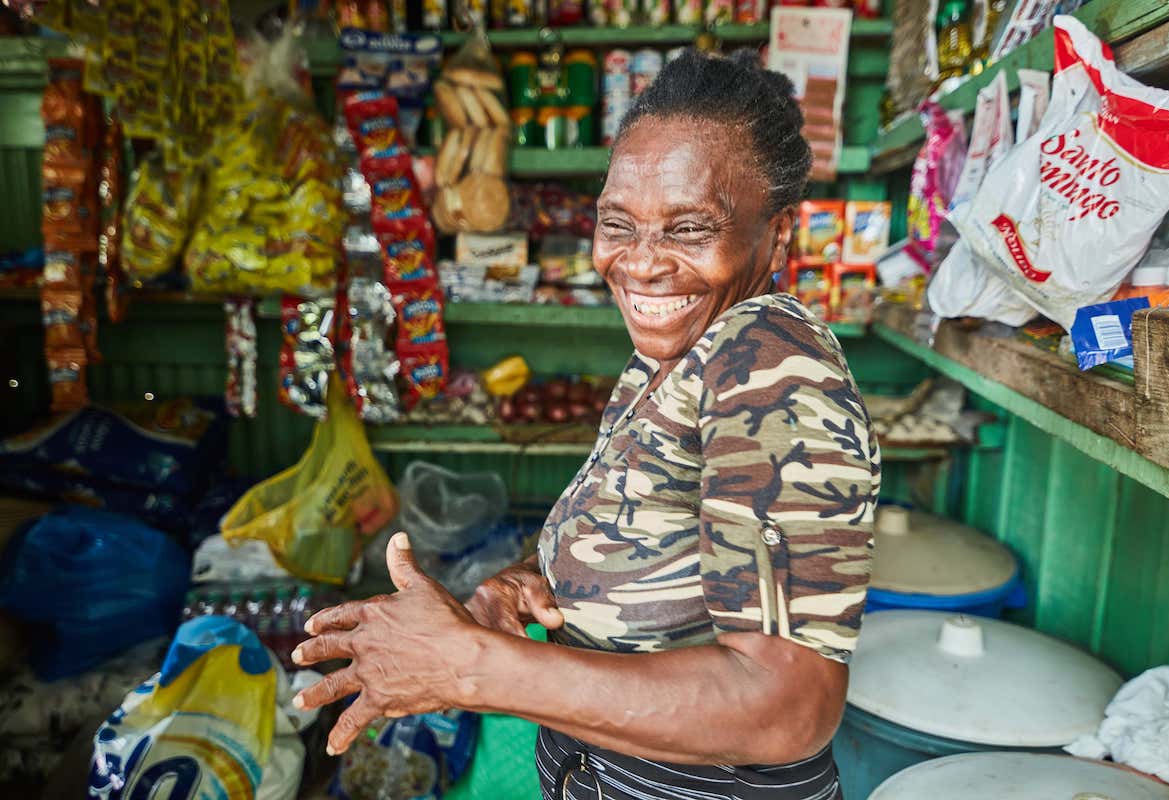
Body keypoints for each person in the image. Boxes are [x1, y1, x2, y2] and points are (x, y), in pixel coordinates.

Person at [293, 49, 879, 799]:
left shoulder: (768, 363)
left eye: (689, 228)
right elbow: (651, 532)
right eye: (617, 223)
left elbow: (786, 707)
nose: (641, 263)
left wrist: (468, 667)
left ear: (778, 236)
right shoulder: (677, 353)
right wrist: (527, 582)